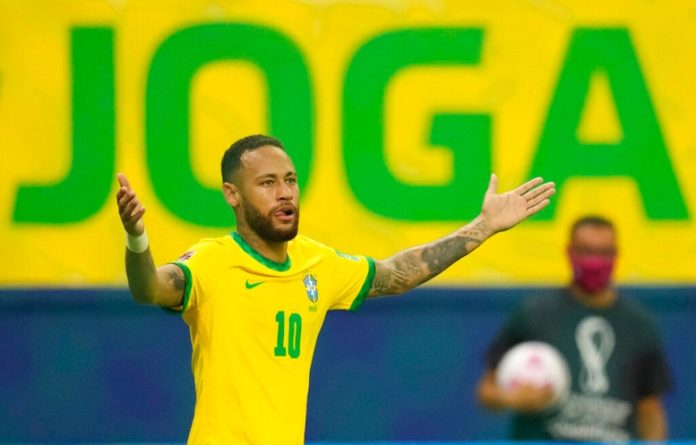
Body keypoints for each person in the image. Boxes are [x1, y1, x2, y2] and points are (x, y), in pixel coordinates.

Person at [116, 134, 555, 444]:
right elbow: (149, 288)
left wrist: (483, 227)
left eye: (290, 180)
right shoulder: (212, 262)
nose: (285, 193)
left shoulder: (316, 263)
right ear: (232, 194)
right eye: (267, 183)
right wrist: (137, 237)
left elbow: (397, 274)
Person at [476, 215, 671, 441]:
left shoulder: (639, 325)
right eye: (587, 251)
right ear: (570, 252)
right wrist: (512, 398)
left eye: (604, 253)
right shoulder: (535, 314)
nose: (595, 262)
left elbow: (650, 410)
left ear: (616, 255)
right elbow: (486, 391)